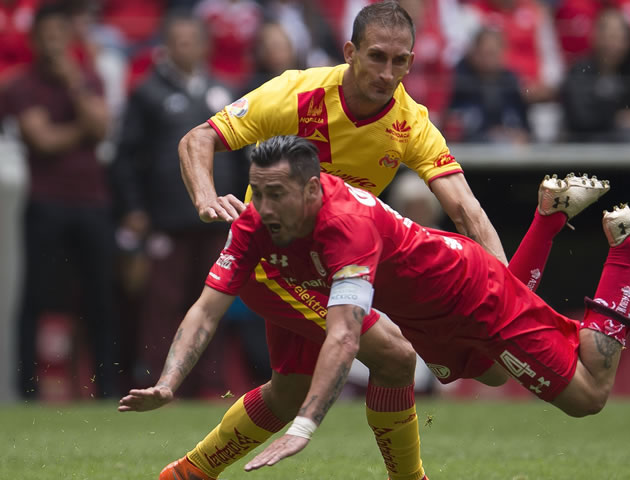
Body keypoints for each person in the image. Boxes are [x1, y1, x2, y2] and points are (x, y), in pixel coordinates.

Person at [136, 135, 630, 472]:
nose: (264, 205)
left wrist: (304, 427)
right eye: (259, 191)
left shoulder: (345, 228)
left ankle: (623, 241)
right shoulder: (258, 218)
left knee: (589, 395)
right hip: (430, 311)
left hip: (472, 292)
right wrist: (169, 380)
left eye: (277, 193)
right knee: (485, 373)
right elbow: (207, 307)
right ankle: (550, 215)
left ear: (314, 190)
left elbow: (345, 334)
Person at [157, 3, 529, 479]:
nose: (386, 72)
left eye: (399, 61)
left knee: (289, 389)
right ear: (350, 51)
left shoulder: (410, 122)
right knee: (395, 356)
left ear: (412, 62)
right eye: (376, 57)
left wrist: (510, 299)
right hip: (269, 256)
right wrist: (206, 196)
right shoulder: (298, 91)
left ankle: (188, 474)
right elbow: (197, 139)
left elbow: (466, 211)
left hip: (334, 262)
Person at [110, 12, 246, 395]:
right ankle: (154, 380)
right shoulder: (146, 92)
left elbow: (238, 156)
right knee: (162, 304)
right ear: (166, 46)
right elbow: (128, 158)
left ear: (205, 45)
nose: (184, 47)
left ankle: (209, 385)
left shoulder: (224, 91)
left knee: (212, 301)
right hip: (165, 218)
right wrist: (134, 208)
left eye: (191, 39)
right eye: (177, 40)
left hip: (218, 219)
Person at [8, 3, 116, 399]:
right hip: (45, 201)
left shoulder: (88, 78)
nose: (53, 44)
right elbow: (43, 141)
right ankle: (26, 390)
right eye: (46, 36)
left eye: (59, 35)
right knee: (34, 295)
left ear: (70, 39)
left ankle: (107, 388)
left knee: (101, 294)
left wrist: (75, 87)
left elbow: (102, 128)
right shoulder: (21, 84)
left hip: (93, 200)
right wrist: (82, 130)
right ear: (35, 40)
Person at [560, 9, 630, 143]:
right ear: (595, 37)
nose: (613, 44)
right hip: (585, 147)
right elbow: (580, 118)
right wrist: (624, 118)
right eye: (609, 35)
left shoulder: (628, 75)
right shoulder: (579, 71)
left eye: (619, 37)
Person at [445, 26, 530, 144]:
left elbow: (524, 126)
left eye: (493, 53)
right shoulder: (459, 80)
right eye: (485, 53)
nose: (489, 59)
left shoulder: (511, 82)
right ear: (474, 53)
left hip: (509, 149)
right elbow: (453, 125)